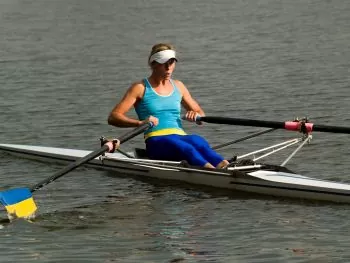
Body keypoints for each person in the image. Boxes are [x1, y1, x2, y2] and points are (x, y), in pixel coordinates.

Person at [108, 43, 229, 169]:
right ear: (153, 64)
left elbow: (200, 113)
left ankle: (227, 167)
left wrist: (197, 115)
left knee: (199, 141)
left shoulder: (179, 86)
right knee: (185, 147)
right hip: (156, 141)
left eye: (171, 62)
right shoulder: (140, 88)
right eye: (163, 63)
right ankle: (215, 173)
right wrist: (140, 123)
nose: (168, 68)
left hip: (180, 136)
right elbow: (113, 117)